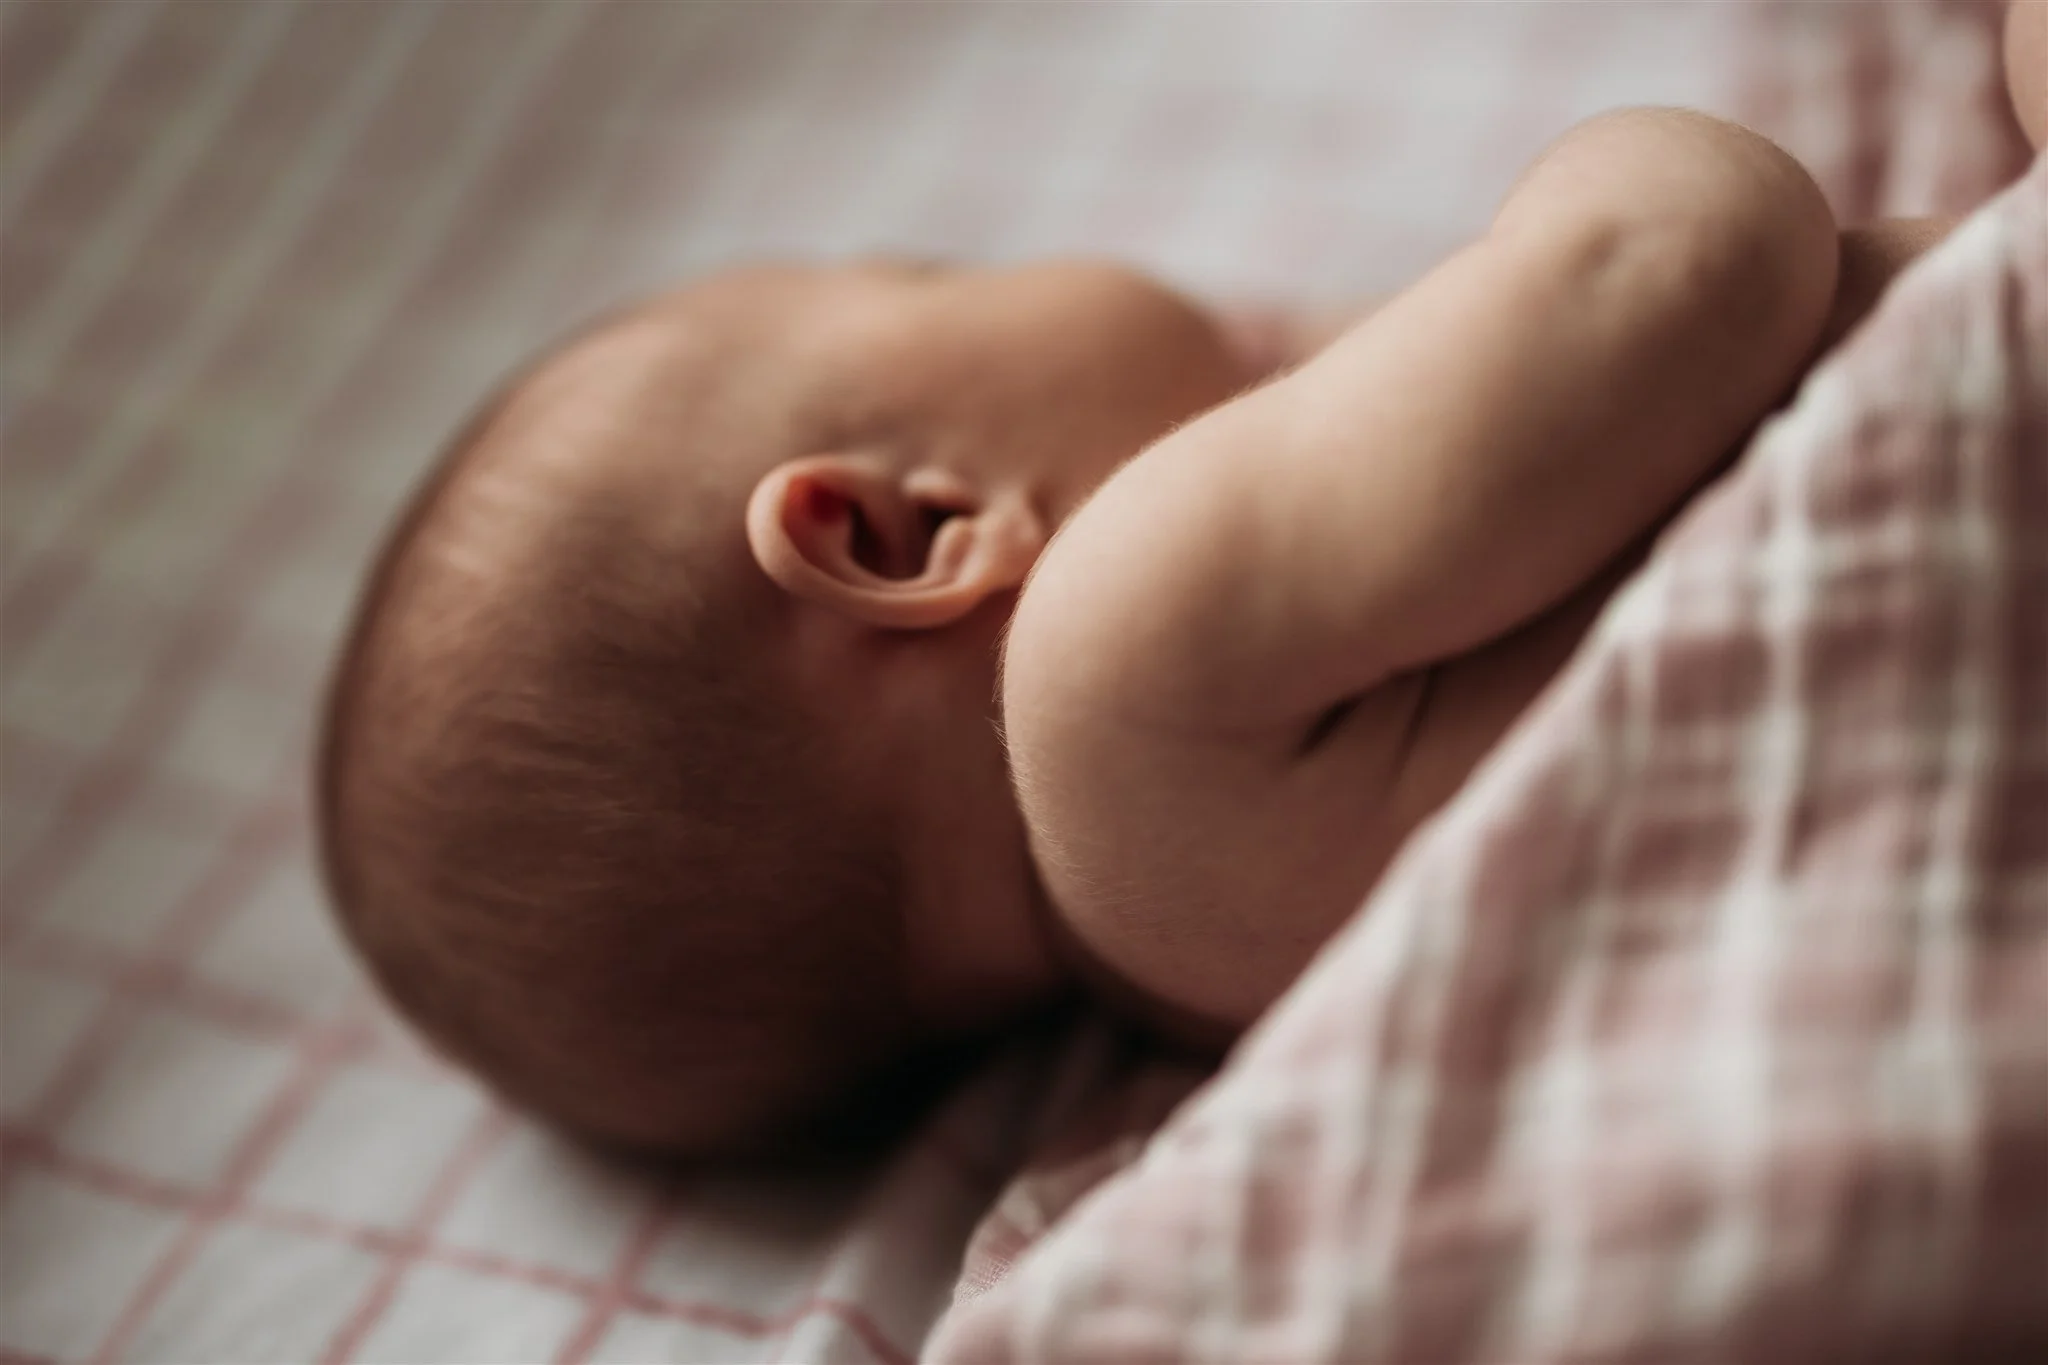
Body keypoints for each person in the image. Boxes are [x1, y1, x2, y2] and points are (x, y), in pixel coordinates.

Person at [318, 93, 2009, 1154]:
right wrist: (1611, 168)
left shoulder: (1199, 987)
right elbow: (1687, 261)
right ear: (901, 534)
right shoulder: (1111, 646)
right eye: (932, 275)